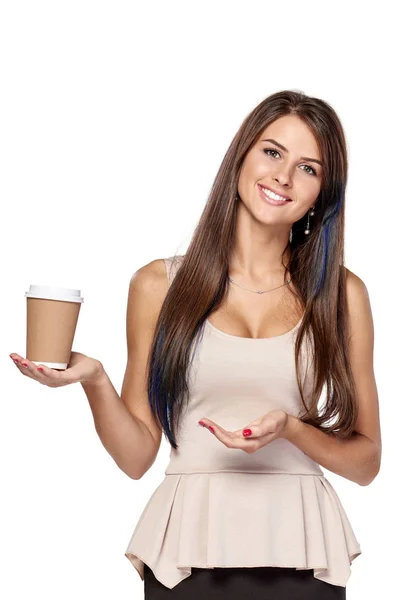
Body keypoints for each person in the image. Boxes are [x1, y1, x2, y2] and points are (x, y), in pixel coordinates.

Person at [10, 89, 381, 599]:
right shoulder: (159, 285)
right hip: (189, 549)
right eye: (272, 152)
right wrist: (95, 380)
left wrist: (291, 429)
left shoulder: (342, 294)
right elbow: (137, 456)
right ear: (241, 157)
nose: (284, 177)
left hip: (303, 548)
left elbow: (366, 463)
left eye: (309, 168)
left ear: (322, 193)